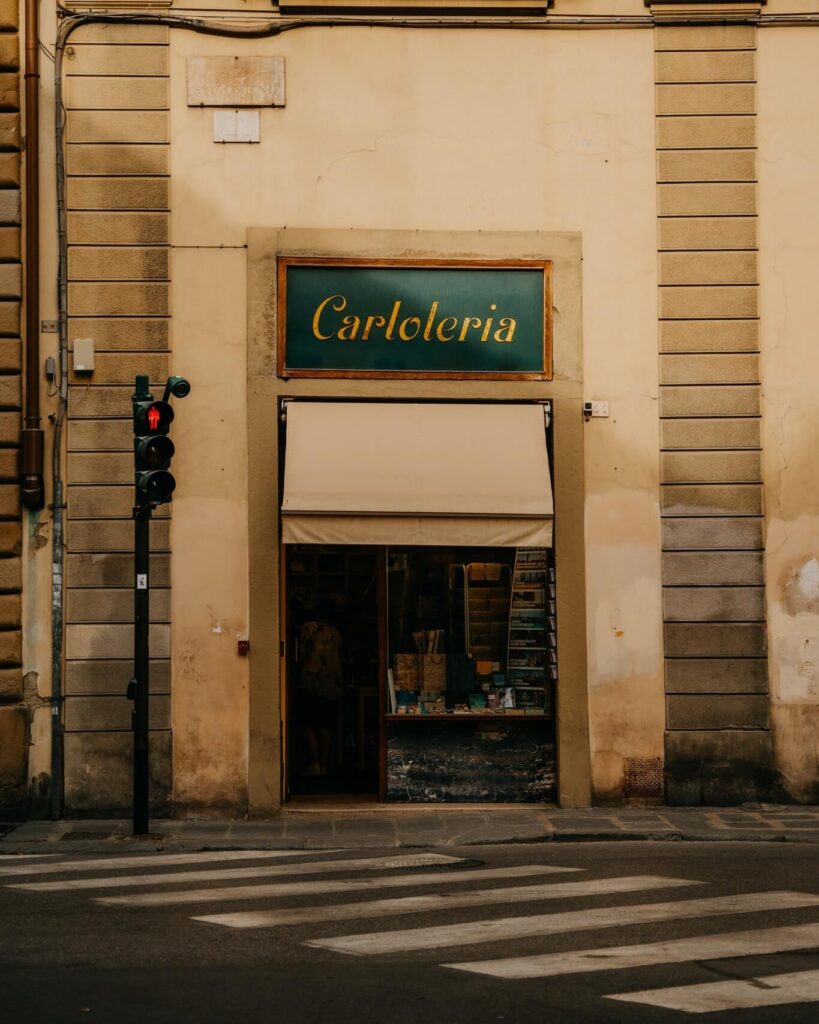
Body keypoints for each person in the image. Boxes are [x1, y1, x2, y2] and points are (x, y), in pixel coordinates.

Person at [296, 599, 344, 778]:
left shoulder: (308, 629)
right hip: (331, 683)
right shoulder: (335, 633)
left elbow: (302, 653)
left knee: (308, 724)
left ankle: (314, 763)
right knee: (326, 725)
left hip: (311, 681)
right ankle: (324, 765)